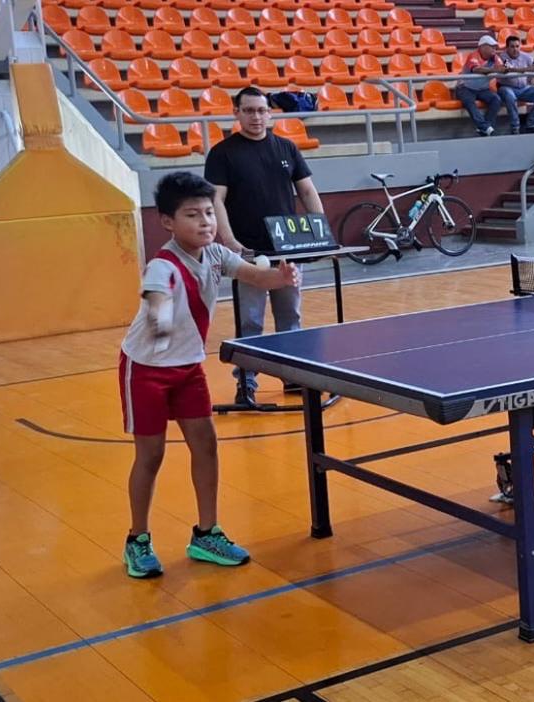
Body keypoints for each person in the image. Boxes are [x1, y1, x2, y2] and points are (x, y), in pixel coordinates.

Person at [120, 172, 301, 578]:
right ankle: (137, 539)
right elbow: (156, 304)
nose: (205, 222)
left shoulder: (216, 254)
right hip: (146, 370)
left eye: (208, 213)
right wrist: (161, 317)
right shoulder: (161, 266)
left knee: (206, 446)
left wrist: (281, 277)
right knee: (151, 455)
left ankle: (206, 534)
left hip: (188, 368)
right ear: (167, 222)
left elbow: (256, 276)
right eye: (192, 215)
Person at [204, 87, 324, 407]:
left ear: (270, 113)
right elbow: (216, 200)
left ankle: (293, 375)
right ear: (236, 113)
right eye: (248, 110)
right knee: (250, 321)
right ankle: (247, 382)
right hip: (248, 254)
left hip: (287, 251)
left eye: (261, 110)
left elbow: (307, 191)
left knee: (290, 317)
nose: (256, 117)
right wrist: (230, 241)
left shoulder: (287, 147)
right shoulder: (223, 153)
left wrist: (321, 231)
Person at [456, 35, 506, 136]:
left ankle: (485, 127)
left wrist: (503, 68)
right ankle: (486, 127)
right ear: (482, 47)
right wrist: (495, 69)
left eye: (495, 46)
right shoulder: (473, 55)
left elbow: (502, 68)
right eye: (491, 46)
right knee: (469, 102)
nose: (494, 49)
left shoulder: (495, 58)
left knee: (496, 99)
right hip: (465, 87)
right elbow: (476, 69)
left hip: (482, 89)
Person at [497, 35, 534, 134]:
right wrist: (527, 69)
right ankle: (515, 127)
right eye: (512, 47)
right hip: (507, 87)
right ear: (507, 47)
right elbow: (509, 69)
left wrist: (533, 75)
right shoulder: (502, 57)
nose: (515, 49)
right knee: (509, 96)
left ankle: (531, 124)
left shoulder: (526, 56)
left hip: (524, 88)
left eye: (517, 46)